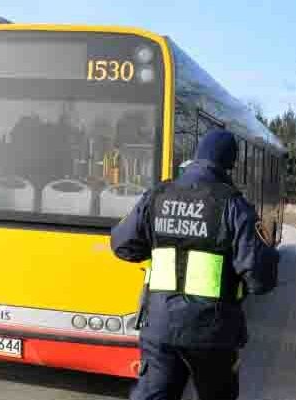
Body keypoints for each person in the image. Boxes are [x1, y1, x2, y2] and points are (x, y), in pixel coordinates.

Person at [111, 129, 279, 400]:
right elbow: (261, 280)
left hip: (160, 326)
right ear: (229, 164)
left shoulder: (158, 195)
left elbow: (122, 246)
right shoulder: (234, 205)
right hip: (212, 333)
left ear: (196, 157)